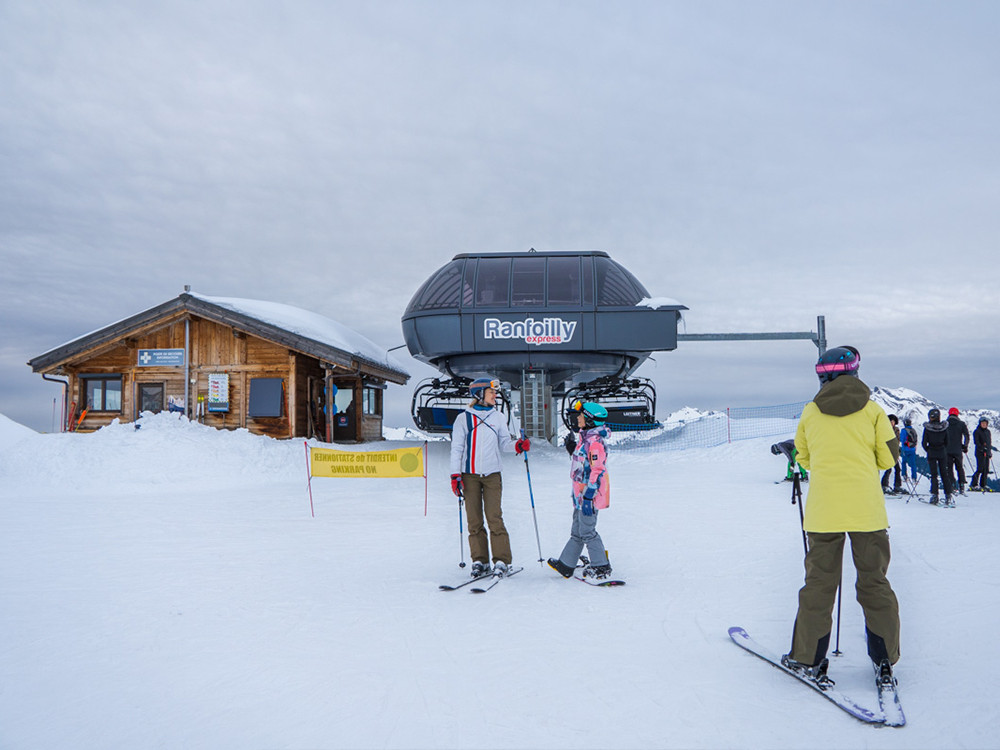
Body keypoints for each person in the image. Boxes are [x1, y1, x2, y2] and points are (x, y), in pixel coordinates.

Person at [783, 346, 901, 690]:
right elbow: (888, 459)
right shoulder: (875, 411)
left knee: (819, 584)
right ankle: (884, 661)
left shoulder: (810, 412)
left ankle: (808, 658)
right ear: (854, 373)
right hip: (867, 511)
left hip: (823, 513)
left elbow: (804, 458)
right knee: (874, 584)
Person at [449, 377, 530, 577]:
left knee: (494, 517)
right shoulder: (463, 419)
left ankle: (502, 560)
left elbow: (504, 443)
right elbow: (457, 449)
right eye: (491, 392)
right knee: (474, 520)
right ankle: (479, 560)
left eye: (495, 392)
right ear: (479, 394)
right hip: (470, 476)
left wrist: (517, 446)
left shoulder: (498, 417)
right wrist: (455, 475)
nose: (495, 395)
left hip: (492, 475)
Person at [547, 401, 614, 580]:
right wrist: (571, 448)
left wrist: (589, 495)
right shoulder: (585, 439)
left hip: (589, 495)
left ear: (590, 420)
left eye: (581, 415)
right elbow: (582, 464)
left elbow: (597, 470)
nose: (578, 418)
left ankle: (601, 566)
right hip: (580, 494)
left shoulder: (595, 443)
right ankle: (566, 564)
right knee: (577, 529)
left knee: (587, 531)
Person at [922, 408, 953, 504]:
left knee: (934, 475)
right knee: (944, 474)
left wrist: (929, 450)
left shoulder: (927, 428)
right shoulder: (944, 427)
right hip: (942, 452)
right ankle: (948, 495)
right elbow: (947, 442)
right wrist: (943, 448)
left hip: (932, 452)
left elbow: (924, 443)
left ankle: (935, 496)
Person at [945, 407, 970, 495]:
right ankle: (961, 485)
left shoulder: (945, 424)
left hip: (947, 450)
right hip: (958, 449)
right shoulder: (961, 424)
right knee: (959, 467)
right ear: (957, 414)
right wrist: (965, 446)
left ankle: (952, 485)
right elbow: (967, 435)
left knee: (949, 468)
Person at [881, 415, 903, 494]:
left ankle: (896, 486)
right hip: (887, 451)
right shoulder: (885, 430)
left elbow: (897, 441)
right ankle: (884, 485)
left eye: (893, 422)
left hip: (894, 452)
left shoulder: (896, 430)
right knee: (889, 468)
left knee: (897, 468)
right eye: (890, 421)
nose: (892, 423)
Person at [970, 417, 993, 491]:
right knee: (980, 468)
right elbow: (976, 442)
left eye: (985, 424)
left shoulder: (988, 432)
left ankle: (983, 484)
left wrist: (989, 452)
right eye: (982, 423)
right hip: (980, 452)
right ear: (980, 424)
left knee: (986, 469)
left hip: (987, 452)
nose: (984, 425)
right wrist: (982, 448)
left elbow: (989, 443)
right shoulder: (977, 431)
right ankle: (974, 484)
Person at [899, 417, 919, 488]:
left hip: (905, 449)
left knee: (904, 462)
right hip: (912, 449)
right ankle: (914, 478)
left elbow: (901, 439)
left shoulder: (903, 430)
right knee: (913, 464)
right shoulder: (913, 430)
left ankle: (904, 475)